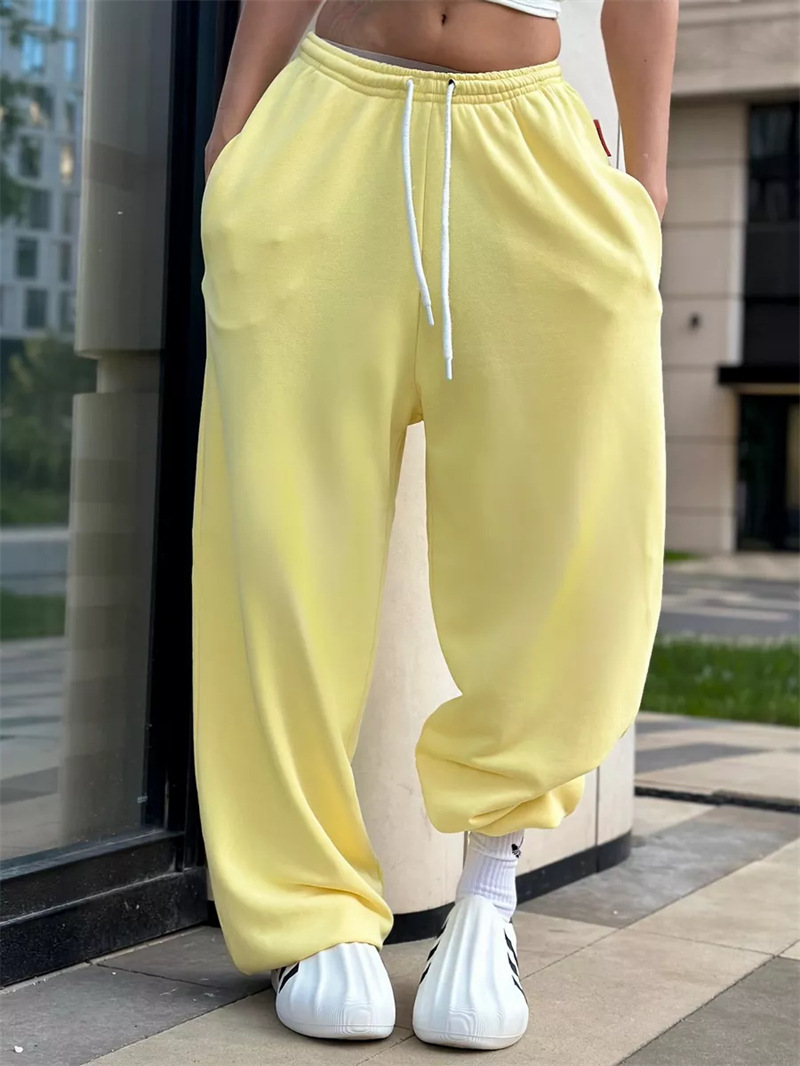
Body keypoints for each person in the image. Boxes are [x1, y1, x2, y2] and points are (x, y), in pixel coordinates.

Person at [193, 0, 677, 1051]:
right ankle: (304, 907)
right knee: (280, 542)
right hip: (328, 123)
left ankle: (490, 888)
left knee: (570, 533)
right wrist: (232, 137)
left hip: (529, 142)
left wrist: (648, 184)